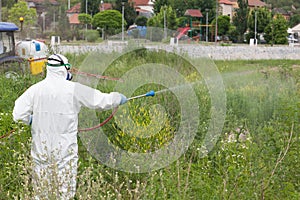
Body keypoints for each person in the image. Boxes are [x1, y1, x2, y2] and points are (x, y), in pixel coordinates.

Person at [12, 54, 127, 199]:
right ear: (64, 70)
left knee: (41, 192)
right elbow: (100, 100)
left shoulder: (35, 90)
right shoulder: (74, 89)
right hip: (64, 152)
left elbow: (18, 114)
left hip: (41, 151)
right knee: (64, 192)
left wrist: (29, 120)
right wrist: (117, 98)